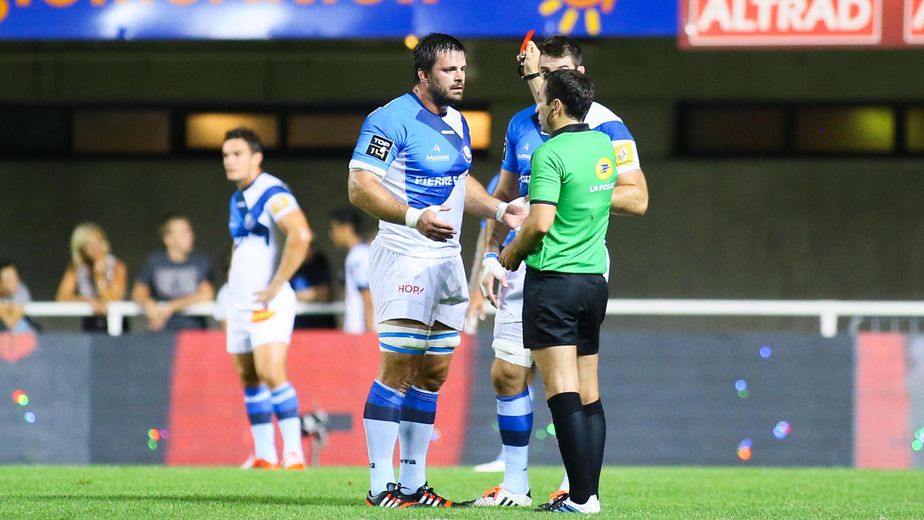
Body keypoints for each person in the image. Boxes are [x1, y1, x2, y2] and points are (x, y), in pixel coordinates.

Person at [347, 33, 527, 508]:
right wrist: (412, 216)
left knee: (433, 373)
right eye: (450, 70)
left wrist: (498, 211)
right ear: (423, 75)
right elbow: (360, 186)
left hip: (446, 262)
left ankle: (412, 485)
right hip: (405, 255)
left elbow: (459, 182)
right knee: (399, 370)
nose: (461, 76)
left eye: (463, 68)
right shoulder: (389, 119)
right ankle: (378, 487)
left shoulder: (459, 122)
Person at [470, 35, 649, 509]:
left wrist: (569, 196)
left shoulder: (605, 126)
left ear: (578, 75)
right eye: (542, 70)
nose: (548, 79)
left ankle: (580, 490)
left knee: (565, 386)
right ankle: (516, 487)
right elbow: (503, 198)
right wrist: (492, 254)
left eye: (556, 71)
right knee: (508, 373)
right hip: (548, 267)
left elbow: (637, 197)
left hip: (559, 263)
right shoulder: (520, 125)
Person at [498, 69, 615, 514]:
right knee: (590, 392)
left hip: (554, 282)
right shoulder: (603, 147)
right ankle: (590, 493)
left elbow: (541, 221)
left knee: (561, 391)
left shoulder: (550, 154)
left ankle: (581, 498)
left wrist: (511, 251)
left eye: (544, 102)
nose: (539, 110)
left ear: (558, 107)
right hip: (592, 282)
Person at [223, 127, 313, 470]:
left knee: (271, 370)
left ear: (256, 157)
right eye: (226, 156)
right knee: (248, 376)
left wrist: (277, 283)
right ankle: (264, 453)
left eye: (237, 154)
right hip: (240, 299)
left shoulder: (272, 190)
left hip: (267, 300)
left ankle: (293, 451)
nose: (230, 161)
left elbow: (301, 234)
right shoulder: (237, 197)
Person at [132, 214, 215, 331]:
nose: (190, 236)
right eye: (183, 233)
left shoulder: (199, 261)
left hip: (193, 331)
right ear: (168, 239)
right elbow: (138, 291)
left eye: (189, 231)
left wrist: (171, 307)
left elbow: (207, 294)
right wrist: (148, 303)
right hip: (162, 331)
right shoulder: (154, 261)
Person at [56, 223, 128, 332]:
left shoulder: (117, 266)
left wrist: (99, 278)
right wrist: (87, 301)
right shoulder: (76, 267)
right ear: (81, 248)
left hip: (118, 325)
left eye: (98, 241)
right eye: (89, 245)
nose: (96, 248)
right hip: (91, 324)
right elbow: (62, 296)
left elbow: (111, 302)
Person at [329, 207, 374, 334]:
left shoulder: (358, 256)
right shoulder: (359, 253)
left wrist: (370, 331)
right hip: (356, 329)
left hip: (360, 331)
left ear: (347, 228)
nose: (332, 234)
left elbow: (366, 294)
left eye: (334, 228)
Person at [290, 245, 338, 329]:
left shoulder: (319, 263)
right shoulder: (291, 267)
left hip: (320, 326)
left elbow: (325, 293)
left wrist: (296, 296)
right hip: (299, 326)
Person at [0, 259, 34, 333]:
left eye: (15, 276)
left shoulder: (21, 290)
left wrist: (2, 312)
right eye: (9, 279)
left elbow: (12, 322)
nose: (15, 281)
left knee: (22, 326)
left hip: (18, 338)